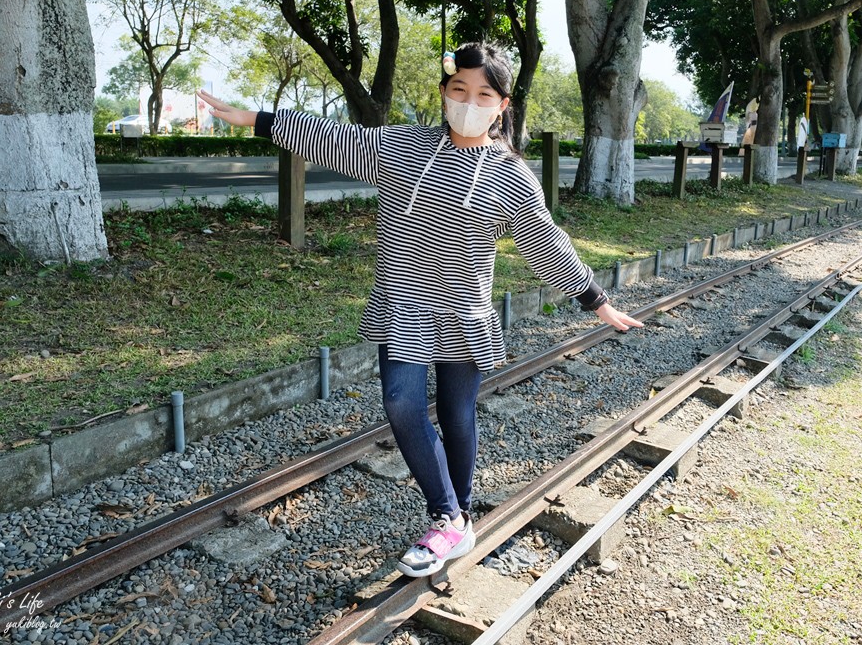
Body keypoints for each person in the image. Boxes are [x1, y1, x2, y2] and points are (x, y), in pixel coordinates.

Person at [198, 42, 642, 578]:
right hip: (402, 308)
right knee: (402, 406)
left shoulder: (511, 176)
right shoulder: (399, 146)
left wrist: (596, 300)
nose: (469, 102)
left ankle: (457, 518)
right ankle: (448, 514)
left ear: (501, 105)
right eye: (460, 90)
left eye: (483, 94)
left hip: (464, 313)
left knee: (457, 416)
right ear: (444, 94)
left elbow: (545, 242)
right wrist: (255, 118)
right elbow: (331, 136)